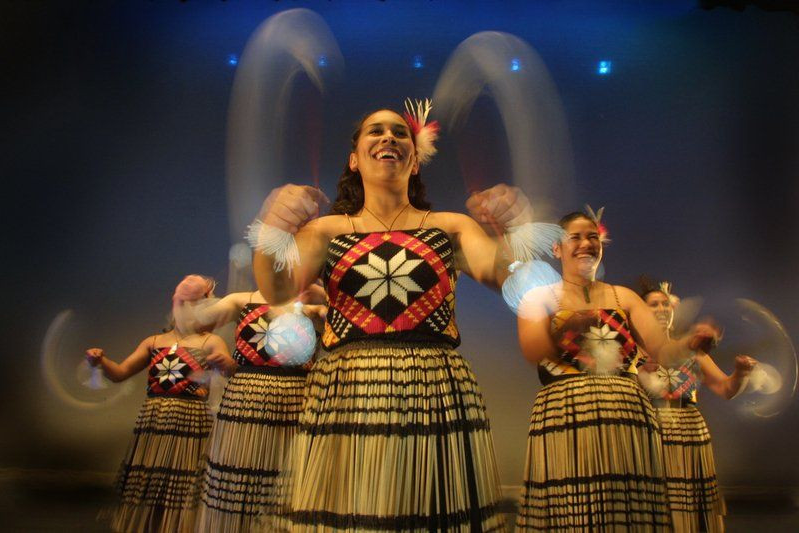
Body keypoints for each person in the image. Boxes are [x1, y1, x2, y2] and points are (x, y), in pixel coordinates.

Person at [249, 102, 547, 531]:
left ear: (415, 157)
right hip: (348, 392)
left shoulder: (450, 226)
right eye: (375, 131)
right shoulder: (326, 231)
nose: (388, 137)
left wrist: (518, 230)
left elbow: (505, 276)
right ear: (354, 158)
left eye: (399, 132)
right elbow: (276, 289)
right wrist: (271, 226)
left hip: (434, 391)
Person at [513, 212, 717, 531]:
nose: (586, 244)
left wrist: (691, 342)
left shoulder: (625, 297)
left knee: (626, 517)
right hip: (566, 417)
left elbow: (663, 350)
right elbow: (532, 347)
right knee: (573, 515)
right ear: (556, 248)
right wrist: (568, 329)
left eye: (593, 237)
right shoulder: (539, 297)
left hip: (625, 416)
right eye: (575, 237)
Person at [86, 275, 235, 533]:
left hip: (190, 422)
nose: (186, 308)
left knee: (184, 481)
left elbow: (230, 372)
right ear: (174, 302)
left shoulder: (210, 342)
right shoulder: (154, 342)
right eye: (183, 301)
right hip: (154, 421)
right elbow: (120, 373)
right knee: (153, 482)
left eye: (194, 302)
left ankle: (180, 528)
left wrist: (225, 363)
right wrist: (100, 362)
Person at [187, 284, 326, 532]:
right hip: (244, 399)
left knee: (286, 479)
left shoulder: (313, 304)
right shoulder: (241, 301)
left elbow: (342, 324)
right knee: (237, 475)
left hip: (295, 398)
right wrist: (190, 300)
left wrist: (323, 294)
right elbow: (198, 324)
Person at [638, 279, 757, 533]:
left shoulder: (694, 352)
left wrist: (741, 373)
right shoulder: (632, 353)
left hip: (689, 434)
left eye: (665, 304)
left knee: (689, 509)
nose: (661, 309)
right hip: (648, 436)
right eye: (653, 305)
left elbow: (726, 389)